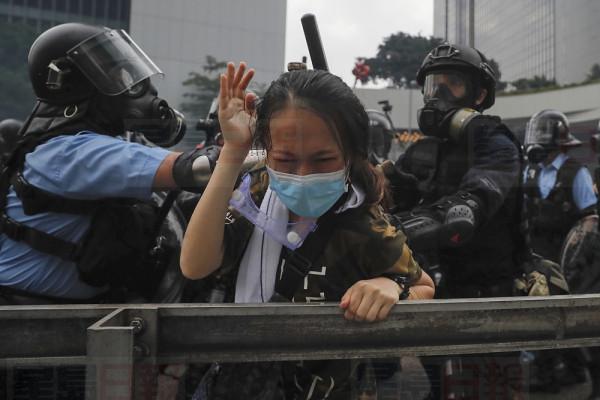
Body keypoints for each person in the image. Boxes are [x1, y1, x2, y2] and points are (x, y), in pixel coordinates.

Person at [180, 62, 434, 399]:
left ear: (352, 155)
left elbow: (423, 287)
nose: (302, 174)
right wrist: (233, 152)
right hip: (239, 384)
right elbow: (195, 264)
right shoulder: (251, 196)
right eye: (285, 160)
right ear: (266, 152)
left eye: (323, 159)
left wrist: (389, 287)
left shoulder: (365, 225)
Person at [0, 23, 221, 305]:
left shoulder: (86, 144)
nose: (131, 86)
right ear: (70, 83)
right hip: (32, 327)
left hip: (68, 313)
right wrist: (259, 152)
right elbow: (197, 168)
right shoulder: (71, 152)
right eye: (114, 76)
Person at [383, 43, 524, 399]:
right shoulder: (422, 150)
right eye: (434, 85)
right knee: (435, 385)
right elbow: (389, 199)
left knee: (489, 388)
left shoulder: (496, 141)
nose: (439, 95)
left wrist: (412, 226)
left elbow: (475, 198)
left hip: (489, 300)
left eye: (453, 84)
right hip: (436, 294)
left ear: (479, 94)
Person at [524, 109, 597, 262]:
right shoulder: (530, 171)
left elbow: (590, 220)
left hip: (565, 257)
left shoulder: (577, 173)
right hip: (534, 256)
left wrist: (575, 259)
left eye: (541, 135)